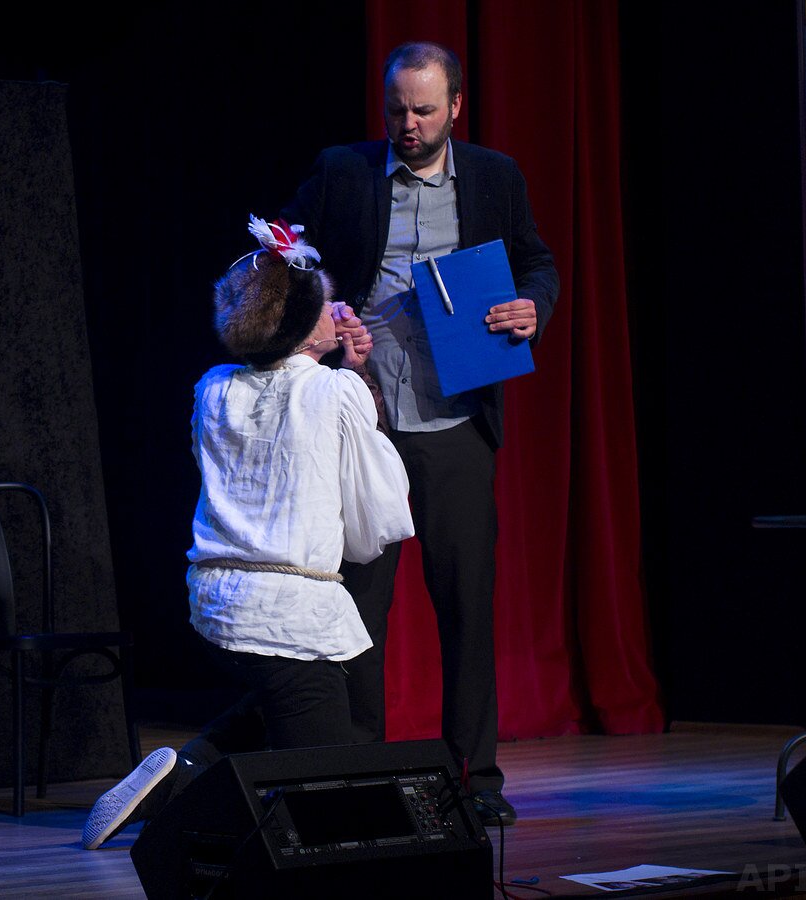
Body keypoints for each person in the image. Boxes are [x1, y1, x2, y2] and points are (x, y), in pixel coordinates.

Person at [278, 41, 560, 827]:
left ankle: (475, 778)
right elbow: (285, 253)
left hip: (453, 417)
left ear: (455, 107)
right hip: (363, 417)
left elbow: (536, 263)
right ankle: (359, 771)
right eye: (396, 110)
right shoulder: (342, 171)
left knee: (465, 603)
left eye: (424, 111)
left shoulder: (494, 177)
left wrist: (533, 307)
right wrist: (321, 305)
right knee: (358, 608)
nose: (408, 124)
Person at [82, 217, 414, 850]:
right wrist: (356, 373)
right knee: (330, 786)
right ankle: (184, 793)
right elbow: (376, 512)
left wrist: (340, 365)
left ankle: (187, 762)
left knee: (276, 702)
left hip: (214, 603)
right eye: (327, 301)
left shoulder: (212, 389)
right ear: (304, 325)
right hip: (287, 610)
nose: (338, 309)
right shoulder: (333, 389)